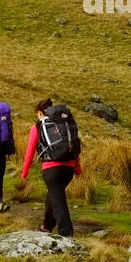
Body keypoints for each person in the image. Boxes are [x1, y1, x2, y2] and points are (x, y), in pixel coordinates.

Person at [20, 98, 82, 236]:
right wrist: (77, 168)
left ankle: (66, 233)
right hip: (68, 170)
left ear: (41, 112)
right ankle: (47, 226)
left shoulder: (39, 126)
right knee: (53, 196)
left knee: (58, 200)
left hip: (51, 169)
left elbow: (30, 152)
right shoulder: (64, 125)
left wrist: (24, 172)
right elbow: (74, 147)